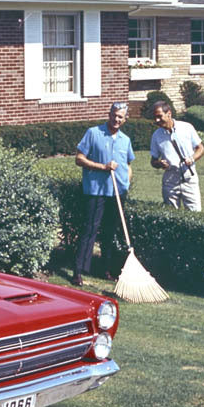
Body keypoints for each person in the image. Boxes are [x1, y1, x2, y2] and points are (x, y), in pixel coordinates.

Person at [72, 102, 134, 285]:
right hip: (96, 190)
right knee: (90, 229)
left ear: (125, 119)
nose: (116, 119)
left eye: (120, 117)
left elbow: (128, 164)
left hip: (117, 191)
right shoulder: (93, 133)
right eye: (114, 115)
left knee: (110, 232)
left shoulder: (125, 140)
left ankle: (106, 269)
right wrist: (102, 167)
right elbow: (79, 159)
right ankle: (78, 271)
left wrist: (127, 182)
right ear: (109, 114)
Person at [150, 99, 204, 211]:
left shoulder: (186, 128)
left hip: (189, 178)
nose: (157, 120)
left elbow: (201, 149)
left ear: (169, 114)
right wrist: (159, 163)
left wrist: (192, 158)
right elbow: (153, 161)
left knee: (195, 216)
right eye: (155, 117)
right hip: (170, 180)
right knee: (171, 216)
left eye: (160, 116)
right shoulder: (156, 136)